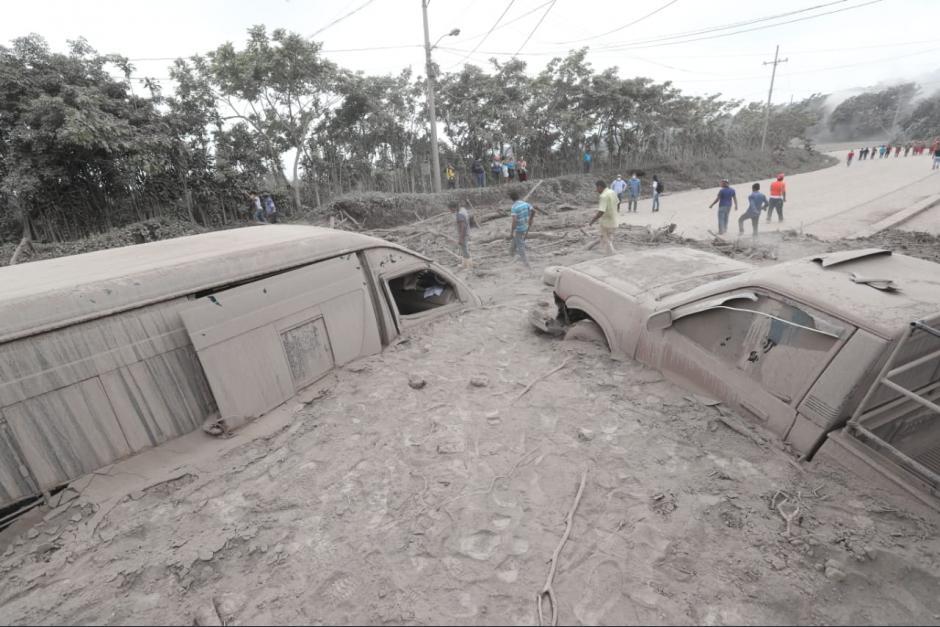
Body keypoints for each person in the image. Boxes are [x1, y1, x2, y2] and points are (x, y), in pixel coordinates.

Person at [587, 179, 620, 256]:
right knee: (609, 239)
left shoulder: (603, 196)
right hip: (614, 220)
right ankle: (610, 254)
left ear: (600, 187)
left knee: (605, 240)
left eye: (597, 188)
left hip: (606, 223)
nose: (596, 190)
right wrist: (614, 212)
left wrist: (592, 221)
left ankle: (611, 255)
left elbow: (601, 212)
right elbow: (618, 203)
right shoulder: (612, 192)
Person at [508, 190, 534, 269]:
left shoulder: (514, 207)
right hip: (525, 226)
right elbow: (533, 210)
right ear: (518, 196)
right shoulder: (525, 203)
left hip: (519, 229)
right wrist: (530, 219)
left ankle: (527, 265)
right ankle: (511, 255)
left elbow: (514, 221)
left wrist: (511, 232)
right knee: (514, 242)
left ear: (511, 199)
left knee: (520, 247)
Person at [449, 200, 472, 270]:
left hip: (463, 234)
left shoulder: (459, 215)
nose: (450, 211)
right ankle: (465, 264)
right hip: (466, 233)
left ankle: (468, 266)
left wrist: (461, 238)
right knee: (464, 249)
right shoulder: (462, 210)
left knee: (465, 249)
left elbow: (463, 226)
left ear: (454, 208)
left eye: (450, 209)